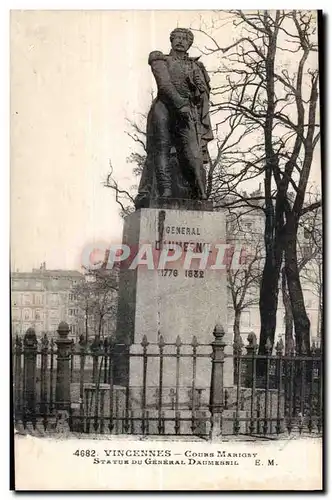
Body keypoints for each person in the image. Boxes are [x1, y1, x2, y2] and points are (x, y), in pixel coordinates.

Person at [135, 27, 213, 209]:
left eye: (185, 39)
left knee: (192, 153)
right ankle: (165, 191)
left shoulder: (195, 66)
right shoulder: (160, 59)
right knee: (161, 148)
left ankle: (198, 191)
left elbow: (201, 95)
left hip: (186, 112)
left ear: (189, 43)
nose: (180, 41)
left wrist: (200, 91)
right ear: (171, 40)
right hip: (165, 108)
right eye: (177, 37)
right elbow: (164, 85)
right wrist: (181, 104)